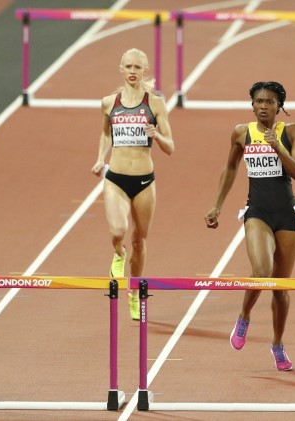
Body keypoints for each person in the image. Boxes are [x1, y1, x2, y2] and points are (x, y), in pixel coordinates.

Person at [205, 81, 295, 371]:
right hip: (257, 211)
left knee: (280, 288)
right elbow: (231, 168)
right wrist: (217, 205)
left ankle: (277, 345)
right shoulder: (241, 133)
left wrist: (278, 148)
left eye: (270, 102)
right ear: (252, 104)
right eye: (258, 101)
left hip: (287, 214)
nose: (263, 106)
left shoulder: (291, 131)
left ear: (279, 106)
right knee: (261, 271)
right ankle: (244, 316)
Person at [91, 48, 175, 320]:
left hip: (144, 180)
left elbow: (170, 147)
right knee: (118, 230)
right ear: (120, 68)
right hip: (115, 178)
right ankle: (118, 252)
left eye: (137, 67)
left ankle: (135, 292)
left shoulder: (155, 103)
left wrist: (157, 136)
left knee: (140, 240)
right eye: (128, 66)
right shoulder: (108, 102)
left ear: (144, 70)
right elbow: (105, 133)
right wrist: (99, 158)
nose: (132, 71)